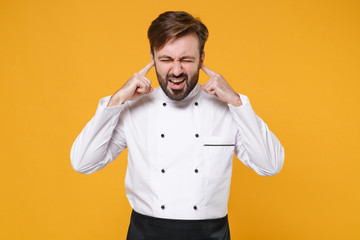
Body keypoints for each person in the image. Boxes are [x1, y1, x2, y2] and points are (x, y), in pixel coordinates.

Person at [71, 11, 284, 240]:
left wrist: (236, 102)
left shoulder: (227, 109)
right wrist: (116, 101)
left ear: (201, 59)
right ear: (152, 58)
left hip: (210, 235)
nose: (176, 70)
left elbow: (270, 165)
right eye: (165, 59)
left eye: (186, 59)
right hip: (146, 234)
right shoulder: (132, 108)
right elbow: (83, 162)